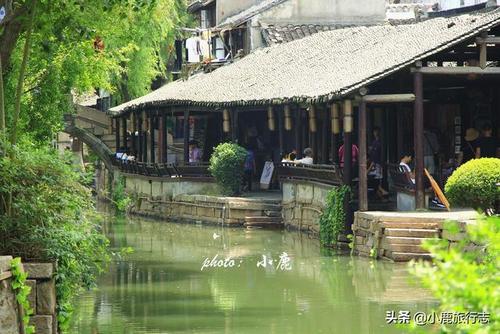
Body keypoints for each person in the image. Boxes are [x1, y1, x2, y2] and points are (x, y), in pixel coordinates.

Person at [368, 127, 388, 197]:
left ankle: (382, 193)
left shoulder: (380, 142)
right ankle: (382, 194)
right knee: (375, 182)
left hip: (378, 164)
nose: (375, 133)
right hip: (374, 164)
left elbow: (376, 156)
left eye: (377, 131)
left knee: (377, 181)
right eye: (374, 131)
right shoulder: (374, 142)